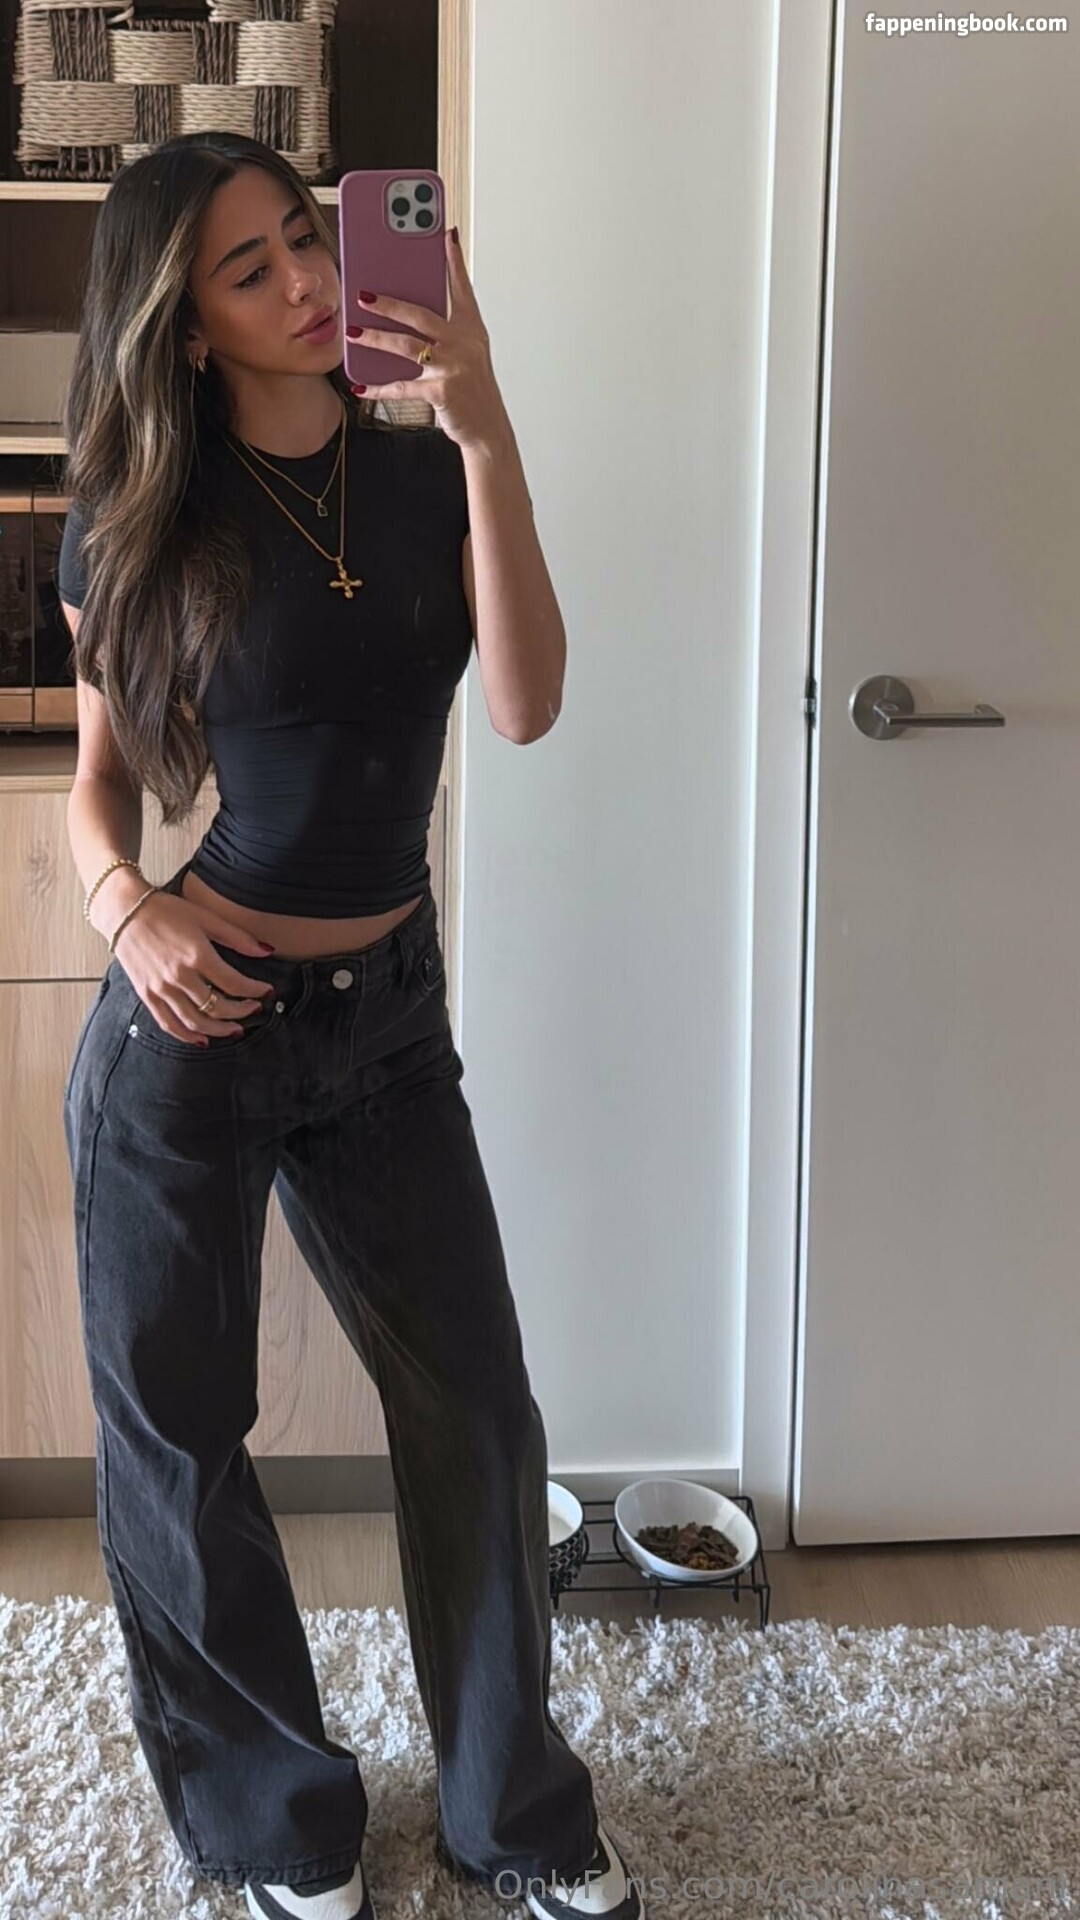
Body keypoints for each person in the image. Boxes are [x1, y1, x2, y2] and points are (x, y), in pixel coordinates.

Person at [57, 133, 644, 1920]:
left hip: (388, 1023)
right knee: (182, 1438)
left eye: (308, 240)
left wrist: (488, 429)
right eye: (251, 268)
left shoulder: (420, 470)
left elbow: (526, 706)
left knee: (479, 1412)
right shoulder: (142, 518)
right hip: (193, 1026)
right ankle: (278, 1822)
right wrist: (129, 909)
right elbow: (97, 795)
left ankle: (513, 1812)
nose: (308, 283)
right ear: (186, 323)